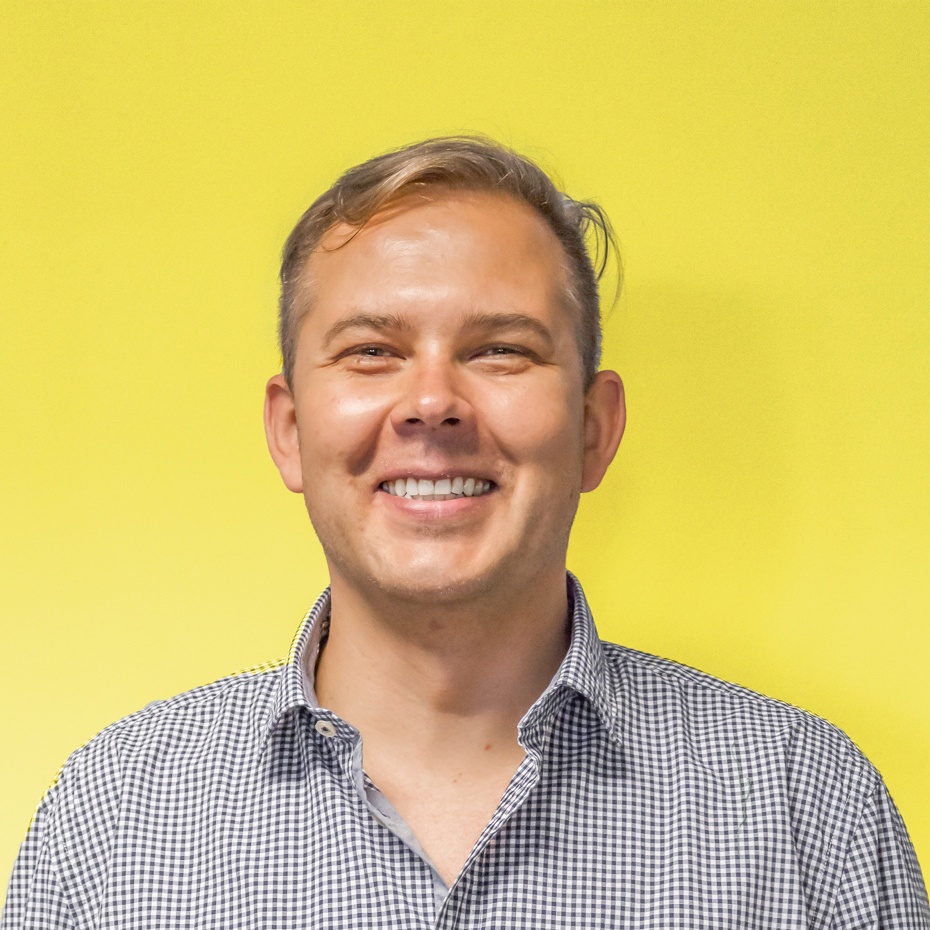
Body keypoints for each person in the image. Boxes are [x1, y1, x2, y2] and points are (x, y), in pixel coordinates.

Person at [2, 137, 927, 930]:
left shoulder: (807, 810)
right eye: (372, 351)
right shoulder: (112, 823)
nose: (433, 403)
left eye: (500, 350)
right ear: (289, 431)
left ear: (594, 429)